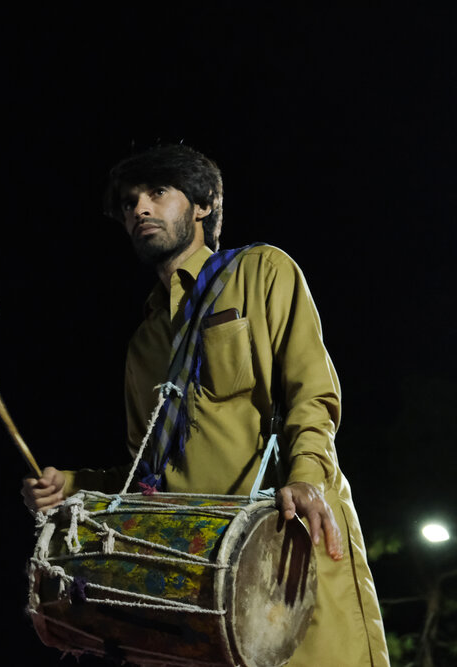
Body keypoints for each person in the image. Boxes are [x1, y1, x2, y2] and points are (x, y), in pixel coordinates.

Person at [21, 144, 388, 665]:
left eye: (157, 193)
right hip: (192, 582)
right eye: (128, 204)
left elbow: (310, 391)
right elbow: (144, 474)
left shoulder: (260, 271)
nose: (139, 210)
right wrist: (74, 486)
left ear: (203, 204)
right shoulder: (144, 341)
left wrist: (306, 474)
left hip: (285, 547)